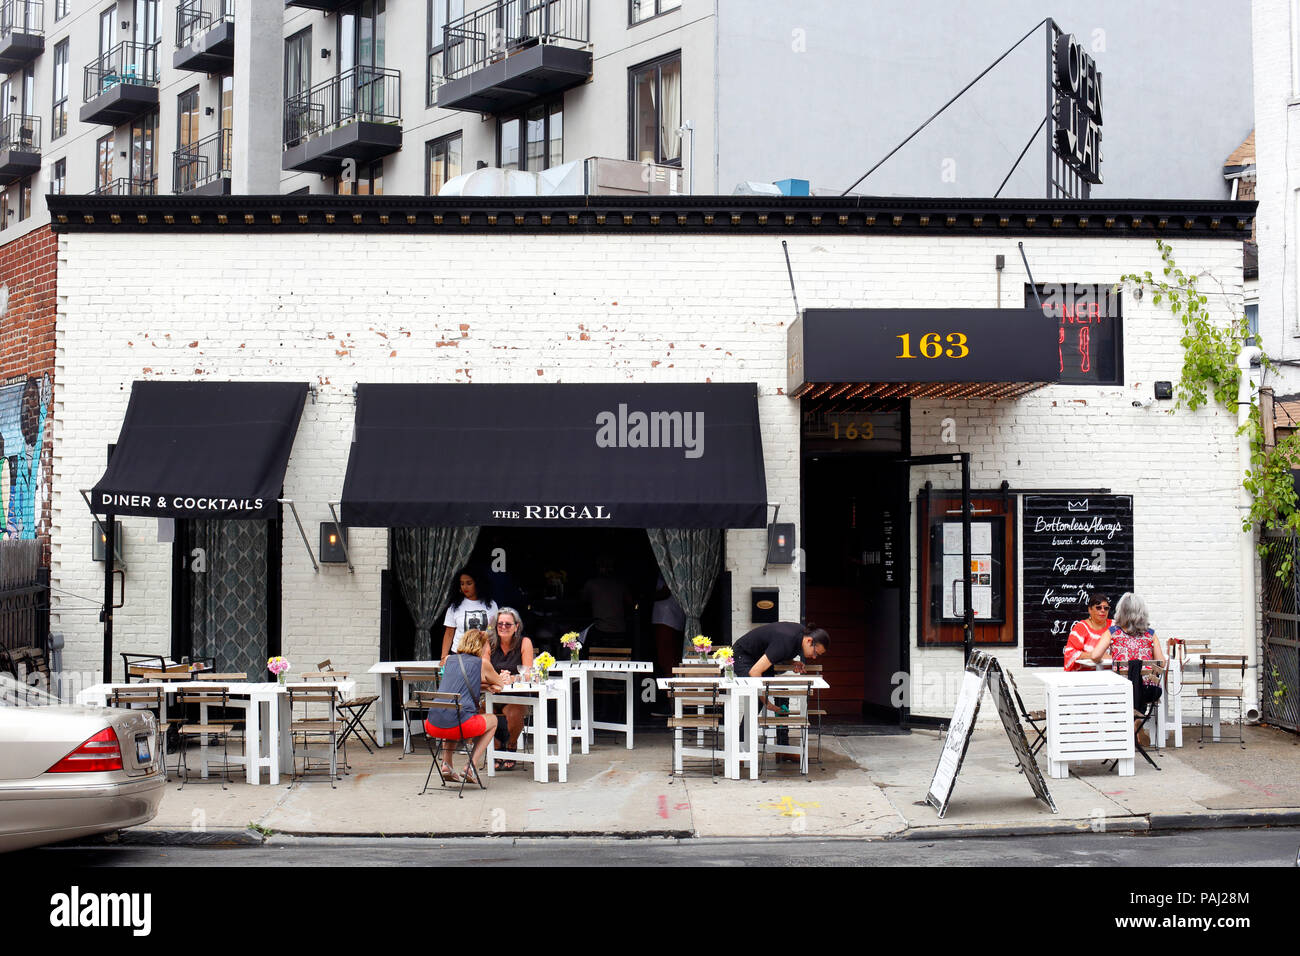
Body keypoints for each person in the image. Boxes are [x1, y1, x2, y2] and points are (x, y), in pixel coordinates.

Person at [423, 628, 509, 783]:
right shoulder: (482, 663)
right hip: (460, 725)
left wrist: (482, 686)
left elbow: (458, 684)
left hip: (432, 723)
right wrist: (498, 679)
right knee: (493, 720)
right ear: (482, 646)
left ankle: (446, 764)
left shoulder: (449, 660)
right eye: (487, 645)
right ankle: (471, 766)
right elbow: (500, 684)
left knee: (453, 712)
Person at [1085, 592, 1166, 737]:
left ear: (1120, 611)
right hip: (1149, 691)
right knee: (1148, 689)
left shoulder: (1113, 632)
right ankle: (1138, 718)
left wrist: (1102, 659)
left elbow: (1095, 655)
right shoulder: (1150, 634)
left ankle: (1128, 727)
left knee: (1124, 689)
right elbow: (1161, 663)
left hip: (1120, 689)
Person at [488, 606, 534, 770]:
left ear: (516, 627)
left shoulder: (524, 642)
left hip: (516, 695)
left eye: (508, 624)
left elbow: (528, 673)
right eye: (500, 623)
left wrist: (511, 678)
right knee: (477, 712)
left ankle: (512, 745)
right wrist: (497, 679)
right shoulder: (489, 643)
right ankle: (497, 746)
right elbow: (482, 668)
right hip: (491, 693)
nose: (503, 627)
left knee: (515, 713)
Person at [731, 621, 830, 678]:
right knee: (754, 694)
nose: (813, 657)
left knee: (765, 692)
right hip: (743, 653)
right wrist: (767, 703)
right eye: (815, 653)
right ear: (809, 641)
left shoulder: (801, 635)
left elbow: (778, 651)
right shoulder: (786, 640)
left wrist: (792, 662)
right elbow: (754, 672)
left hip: (759, 656)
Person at [440, 568, 498, 660]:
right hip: (459, 654)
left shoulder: (491, 605)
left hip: (484, 654)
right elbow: (449, 633)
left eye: (469, 583)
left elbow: (493, 628)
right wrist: (444, 657)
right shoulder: (454, 606)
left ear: (478, 584)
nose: (465, 587)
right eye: (462, 583)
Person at [580, 556, 634, 651]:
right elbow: (631, 603)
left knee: (580, 638)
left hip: (603, 630)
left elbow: (583, 601)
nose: (605, 569)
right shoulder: (619, 584)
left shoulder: (592, 584)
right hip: (617, 629)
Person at [1063, 592, 1112, 671]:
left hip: (1112, 675)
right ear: (1090, 609)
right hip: (1085, 675)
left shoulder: (1114, 626)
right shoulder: (1081, 628)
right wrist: (1096, 655)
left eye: (1106, 608)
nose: (1103, 610)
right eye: (1098, 607)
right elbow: (1070, 653)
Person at [652, 573, 686, 677]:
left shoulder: (667, 569)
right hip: (673, 616)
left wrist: (645, 596)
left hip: (666, 618)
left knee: (666, 657)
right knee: (672, 656)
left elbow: (665, 592)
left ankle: (671, 688)